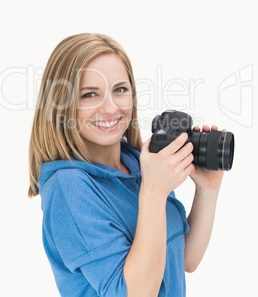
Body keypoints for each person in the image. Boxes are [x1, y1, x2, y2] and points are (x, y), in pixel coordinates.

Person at [28, 33, 225, 297]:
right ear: (61, 106)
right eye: (89, 94)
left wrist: (208, 190)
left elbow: (184, 258)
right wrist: (153, 193)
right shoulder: (69, 187)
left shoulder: (138, 164)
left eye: (119, 89)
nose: (110, 108)